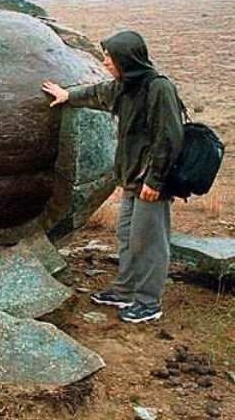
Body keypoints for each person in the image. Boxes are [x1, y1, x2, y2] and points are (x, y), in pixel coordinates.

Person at [42, 30, 183, 323]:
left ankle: (148, 302)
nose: (105, 61)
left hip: (150, 182)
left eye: (109, 57)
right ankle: (125, 290)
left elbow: (169, 137)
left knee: (150, 242)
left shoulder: (159, 88)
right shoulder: (126, 85)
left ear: (126, 59)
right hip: (132, 179)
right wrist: (67, 96)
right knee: (128, 236)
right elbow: (97, 93)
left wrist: (155, 181)